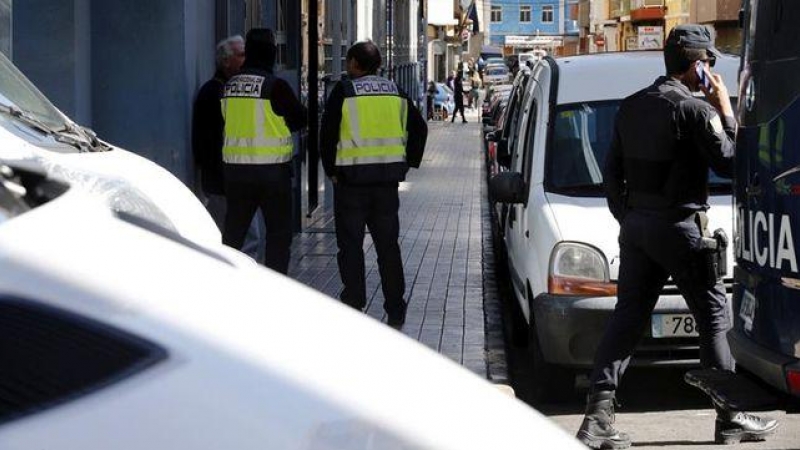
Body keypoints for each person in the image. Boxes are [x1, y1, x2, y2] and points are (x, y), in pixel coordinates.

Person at [576, 24, 778, 449]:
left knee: (628, 319)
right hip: (681, 228)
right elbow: (729, 163)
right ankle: (731, 418)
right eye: (707, 62)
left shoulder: (631, 107)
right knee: (714, 316)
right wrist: (724, 107)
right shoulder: (694, 108)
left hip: (638, 230)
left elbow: (610, 174)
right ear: (695, 65)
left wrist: (629, 219)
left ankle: (597, 419)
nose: (710, 70)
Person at [320, 40, 427, 328]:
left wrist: (330, 170)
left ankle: (355, 302)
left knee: (351, 247)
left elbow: (327, 134)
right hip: (385, 185)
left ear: (355, 63)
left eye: (348, 60)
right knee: (388, 247)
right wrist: (407, 163)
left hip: (351, 182)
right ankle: (395, 307)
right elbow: (420, 127)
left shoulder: (344, 91)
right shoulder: (395, 90)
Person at [220, 28, 307, 274]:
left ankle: (230, 283)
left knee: (234, 235)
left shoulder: (230, 85)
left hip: (236, 174)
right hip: (272, 175)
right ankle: (274, 285)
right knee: (278, 236)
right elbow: (300, 118)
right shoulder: (274, 86)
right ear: (271, 53)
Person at [191, 35, 266, 263]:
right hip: (225, 183)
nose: (246, 59)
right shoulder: (215, 93)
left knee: (245, 238)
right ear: (226, 61)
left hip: (238, 181)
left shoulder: (231, 90)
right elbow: (207, 144)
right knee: (246, 239)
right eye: (241, 55)